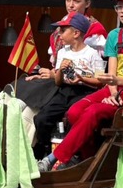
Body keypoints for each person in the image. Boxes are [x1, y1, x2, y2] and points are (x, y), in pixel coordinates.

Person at [37, 0, 123, 173]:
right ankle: (90, 159)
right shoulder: (114, 36)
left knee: (93, 111)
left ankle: (54, 157)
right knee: (74, 111)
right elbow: (110, 76)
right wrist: (113, 92)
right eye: (119, 7)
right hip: (116, 89)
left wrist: (116, 85)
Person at [31, 13, 105, 161]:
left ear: (76, 33)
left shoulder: (92, 54)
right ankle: (44, 151)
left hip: (85, 91)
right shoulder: (63, 52)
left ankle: (74, 155)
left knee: (74, 117)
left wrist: (82, 78)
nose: (60, 34)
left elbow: (100, 81)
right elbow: (58, 82)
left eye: (63, 30)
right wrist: (61, 70)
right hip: (64, 90)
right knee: (42, 117)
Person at [36, 0, 108, 76]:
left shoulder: (94, 30)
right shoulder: (59, 26)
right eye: (68, 0)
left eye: (76, 1)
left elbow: (98, 72)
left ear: (87, 3)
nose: (71, 5)